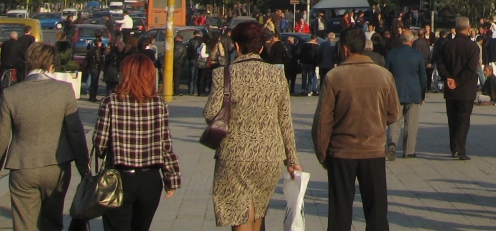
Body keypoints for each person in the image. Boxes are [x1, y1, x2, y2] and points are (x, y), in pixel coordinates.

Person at [204, 21, 301, 231]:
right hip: (269, 156)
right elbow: (285, 120)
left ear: (237, 46)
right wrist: (292, 160)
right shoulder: (276, 75)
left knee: (239, 212)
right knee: (258, 211)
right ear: (261, 48)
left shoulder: (224, 74)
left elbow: (210, 113)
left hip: (234, 155)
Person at [311, 27, 399, 231]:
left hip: (342, 151)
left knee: (340, 213)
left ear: (344, 49)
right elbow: (394, 113)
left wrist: (323, 154)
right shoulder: (384, 75)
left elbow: (323, 121)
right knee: (377, 213)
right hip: (373, 151)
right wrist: (375, 123)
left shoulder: (334, 77)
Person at [0, 42, 90, 231]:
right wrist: (84, 168)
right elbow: (75, 131)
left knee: (24, 225)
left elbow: (2, 136)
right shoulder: (64, 90)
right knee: (52, 222)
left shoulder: (10, 94)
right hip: (56, 168)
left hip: (23, 167)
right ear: (51, 65)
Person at [93, 52, 181, 231]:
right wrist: (171, 178)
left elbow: (100, 144)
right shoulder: (159, 104)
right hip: (150, 179)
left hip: (120, 177)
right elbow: (165, 145)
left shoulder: (110, 102)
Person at [436, 16, 481, 160]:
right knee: (463, 119)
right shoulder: (472, 47)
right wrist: (458, 81)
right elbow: (471, 68)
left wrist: (448, 78)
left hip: (450, 89)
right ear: (468, 28)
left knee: (452, 120)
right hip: (466, 89)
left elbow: (440, 64)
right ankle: (459, 149)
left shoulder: (447, 45)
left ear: (455, 28)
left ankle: (453, 148)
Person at [384, 30, 428, 160]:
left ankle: (392, 143)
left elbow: (386, 75)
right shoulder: (418, 55)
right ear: (411, 41)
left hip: (395, 92)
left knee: (394, 120)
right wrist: (422, 94)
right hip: (414, 92)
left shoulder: (391, 54)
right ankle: (409, 151)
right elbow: (423, 77)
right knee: (411, 122)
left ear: (400, 40)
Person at [84, 31, 107, 102]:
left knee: (90, 79)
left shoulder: (91, 44)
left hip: (91, 66)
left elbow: (88, 49)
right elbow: (98, 59)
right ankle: (92, 96)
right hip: (95, 67)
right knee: (94, 82)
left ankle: (89, 92)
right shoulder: (97, 50)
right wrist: (102, 61)